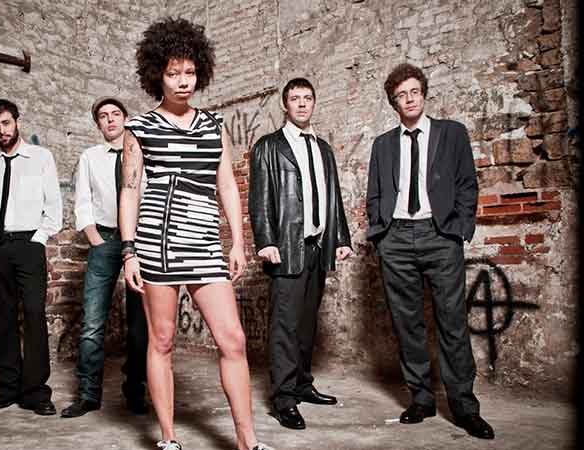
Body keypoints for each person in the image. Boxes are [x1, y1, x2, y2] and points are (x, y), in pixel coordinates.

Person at [119, 17, 274, 450]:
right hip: (158, 244)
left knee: (233, 339)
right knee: (162, 340)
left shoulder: (213, 125)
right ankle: (168, 438)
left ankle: (247, 441)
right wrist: (129, 251)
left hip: (205, 244)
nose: (183, 81)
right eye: (173, 73)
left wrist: (237, 241)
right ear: (157, 74)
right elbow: (130, 191)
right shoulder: (139, 128)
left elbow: (227, 184)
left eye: (189, 72)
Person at [365, 63, 494, 440]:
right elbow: (375, 193)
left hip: (440, 236)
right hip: (396, 238)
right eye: (401, 95)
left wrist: (459, 229)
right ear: (394, 102)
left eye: (414, 92)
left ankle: (464, 407)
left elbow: (467, 184)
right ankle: (421, 399)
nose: (409, 99)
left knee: (452, 321)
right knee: (407, 324)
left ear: (423, 94)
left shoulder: (451, 133)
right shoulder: (383, 144)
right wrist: (381, 233)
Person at [248, 78, 352, 430]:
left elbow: (333, 195)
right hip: (286, 247)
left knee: (307, 323)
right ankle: (283, 398)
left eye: (308, 98)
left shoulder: (324, 149)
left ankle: (303, 385)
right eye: (295, 98)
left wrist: (341, 237)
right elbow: (259, 198)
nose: (302, 104)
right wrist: (265, 240)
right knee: (285, 326)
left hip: (317, 247)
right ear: (285, 104)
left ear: (314, 103)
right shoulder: (269, 146)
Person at [0, 99, 63, 416]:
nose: (1, 131)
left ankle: (35, 392)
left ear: (17, 121)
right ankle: (8, 387)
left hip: (29, 244)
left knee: (34, 313)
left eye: (6, 123)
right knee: (1, 316)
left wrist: (38, 240)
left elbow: (54, 205)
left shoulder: (41, 157)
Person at [61, 97, 149, 418]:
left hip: (140, 241)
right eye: (103, 116)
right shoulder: (90, 157)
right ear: (98, 124)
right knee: (92, 322)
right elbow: (82, 202)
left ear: (125, 119)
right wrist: (95, 239)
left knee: (140, 325)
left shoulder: (142, 154)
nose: (110, 119)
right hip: (105, 239)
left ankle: (135, 390)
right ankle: (88, 395)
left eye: (115, 114)